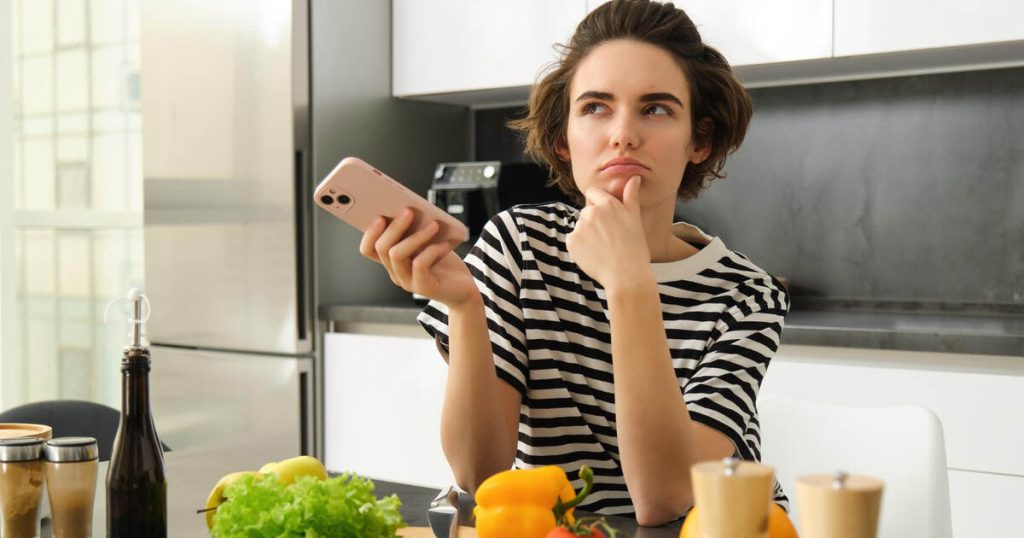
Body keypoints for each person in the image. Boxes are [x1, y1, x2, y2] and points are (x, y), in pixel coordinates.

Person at [360, 0, 788, 526]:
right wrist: (465, 306)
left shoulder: (749, 293)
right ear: (564, 140)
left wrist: (628, 283)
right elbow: (479, 475)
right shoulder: (519, 245)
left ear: (699, 140)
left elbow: (665, 499)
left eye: (655, 109)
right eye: (595, 107)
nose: (622, 134)